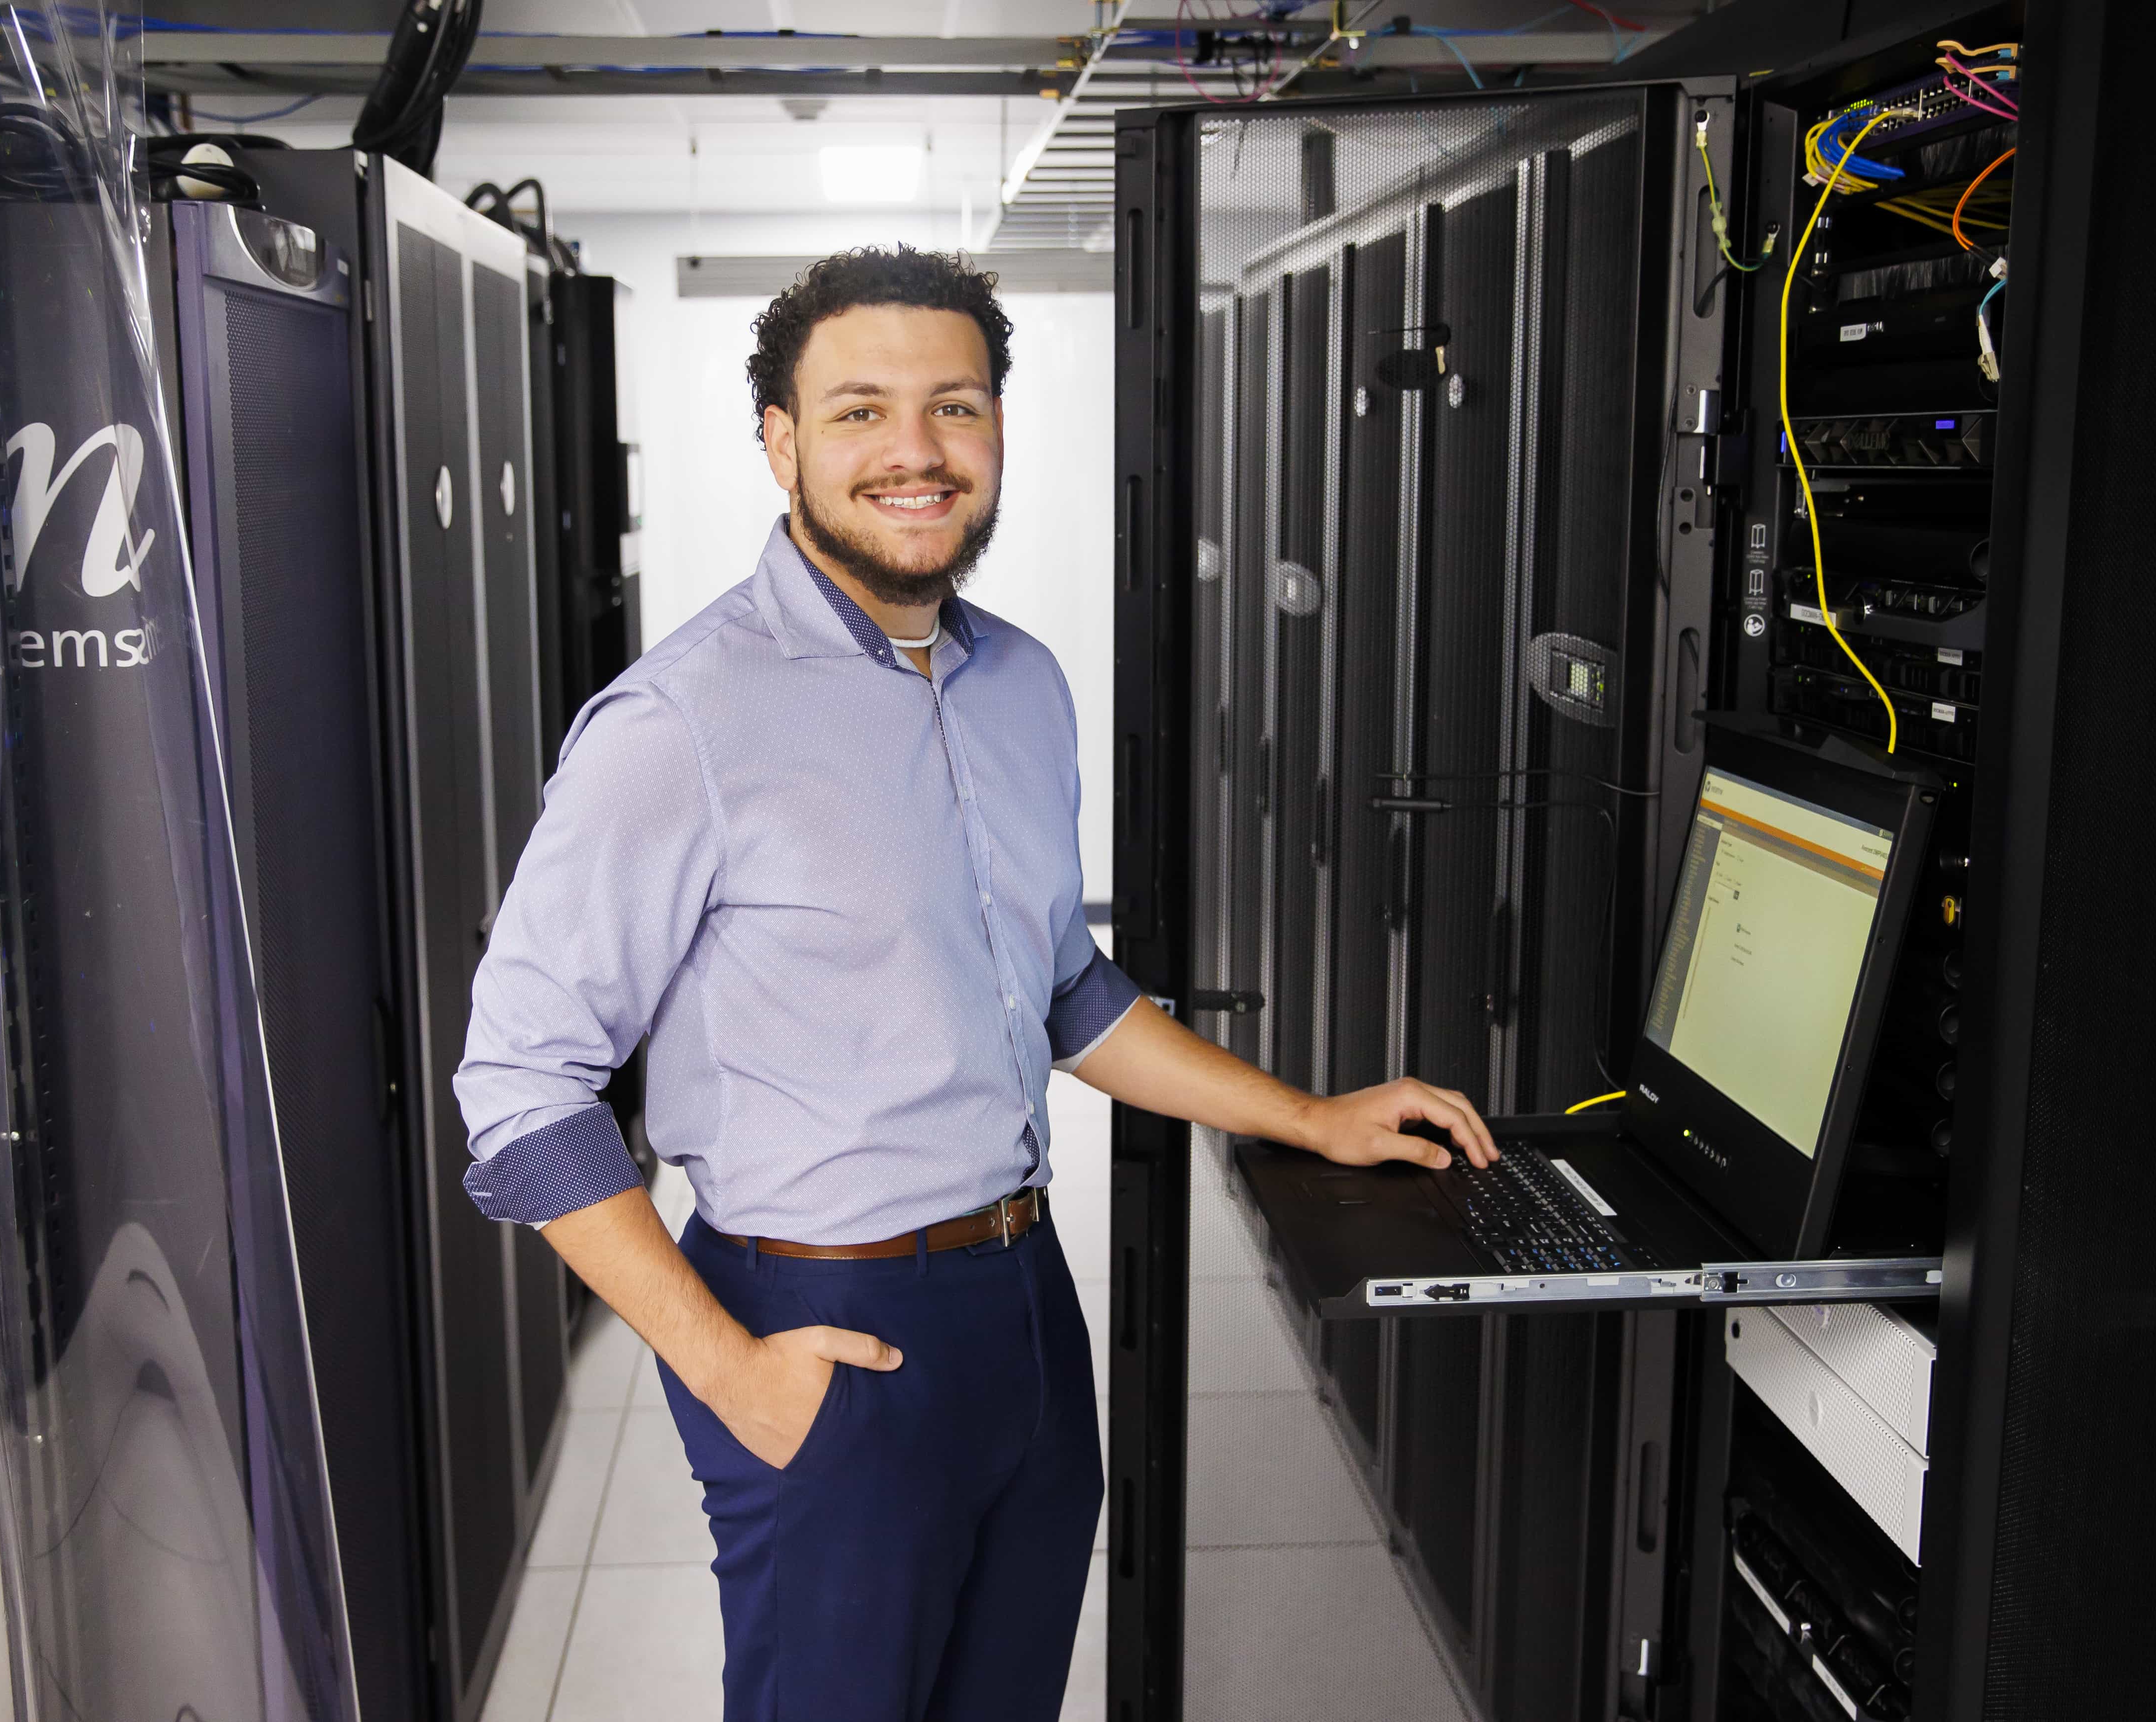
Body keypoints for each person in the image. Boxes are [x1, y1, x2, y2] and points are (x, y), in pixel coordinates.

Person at [454, 245, 1496, 1721]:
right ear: (779, 439)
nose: (915, 453)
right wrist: (729, 1370)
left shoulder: (1020, 683)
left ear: (998, 427)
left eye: (955, 406)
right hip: (816, 1319)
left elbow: (1061, 990)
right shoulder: (681, 720)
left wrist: (1307, 1117)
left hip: (1020, 1300)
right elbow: (516, 1083)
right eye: (860, 410)